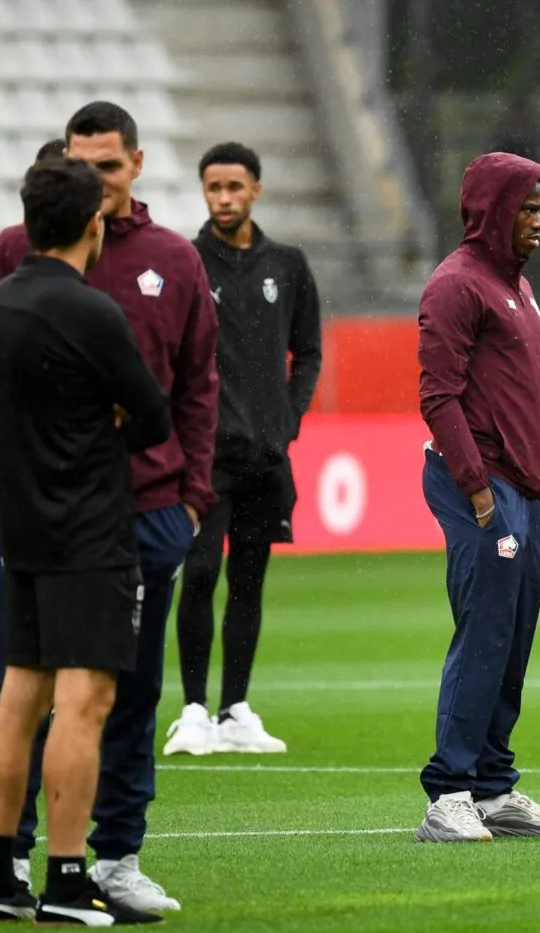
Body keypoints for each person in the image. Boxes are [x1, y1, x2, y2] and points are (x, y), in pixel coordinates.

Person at [0, 101, 219, 911]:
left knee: (114, 698)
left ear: (135, 165)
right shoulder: (25, 259)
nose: (94, 180)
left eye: (107, 165)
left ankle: (110, 858)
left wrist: (194, 502)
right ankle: (55, 869)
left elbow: (203, 384)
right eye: (79, 164)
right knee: (66, 697)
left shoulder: (172, 260)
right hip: (78, 519)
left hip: (142, 513)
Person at [0, 157, 169, 926]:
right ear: (93, 225)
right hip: (90, 529)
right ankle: (65, 879)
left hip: (22, 528)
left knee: (19, 699)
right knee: (85, 705)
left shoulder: (5, 301)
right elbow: (151, 416)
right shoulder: (92, 312)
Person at [413, 151, 540, 843]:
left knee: (512, 640)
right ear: (493, 211)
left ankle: (493, 785)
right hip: (480, 486)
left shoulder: (517, 285)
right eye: (528, 209)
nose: (539, 222)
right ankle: (448, 792)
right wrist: (479, 491)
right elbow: (437, 394)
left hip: (525, 491)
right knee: (483, 635)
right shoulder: (457, 285)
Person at [165, 142, 322, 756]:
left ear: (255, 189)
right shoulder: (186, 263)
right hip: (204, 456)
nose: (223, 199)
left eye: (234, 187)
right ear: (204, 192)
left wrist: (289, 416)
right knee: (200, 572)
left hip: (266, 454)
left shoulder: (286, 264)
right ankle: (193, 711)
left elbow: (307, 350)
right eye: (213, 188)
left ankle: (234, 710)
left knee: (250, 580)